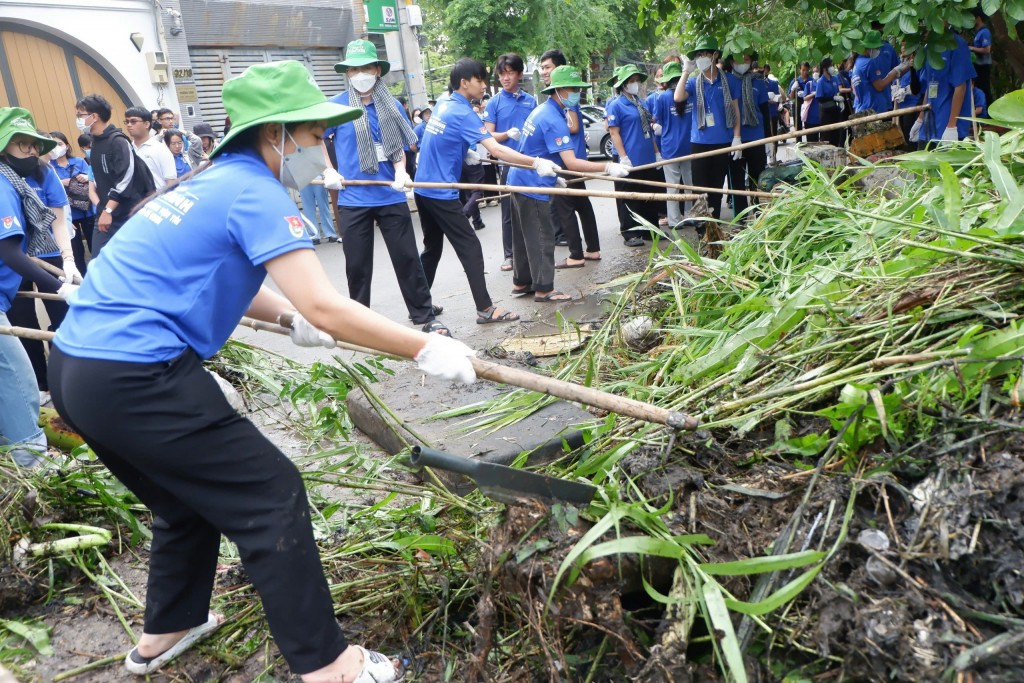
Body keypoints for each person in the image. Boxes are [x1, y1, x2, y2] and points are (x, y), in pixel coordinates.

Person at [49, 60, 476, 682]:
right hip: (137, 375)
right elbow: (328, 302)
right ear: (276, 133)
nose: (320, 149)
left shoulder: (206, 184)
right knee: (271, 497)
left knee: (180, 500)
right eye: (312, 136)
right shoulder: (255, 192)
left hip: (77, 371)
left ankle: (166, 629)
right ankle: (329, 665)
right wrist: (423, 347)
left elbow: (229, 276)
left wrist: (285, 319)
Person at [415, 58, 562, 324]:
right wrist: (536, 162)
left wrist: (466, 152)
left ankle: (419, 306)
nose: (484, 85)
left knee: (432, 249)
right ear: (464, 83)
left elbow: (442, 142)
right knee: (471, 248)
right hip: (439, 191)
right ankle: (485, 309)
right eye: (480, 80)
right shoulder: (462, 112)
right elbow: (496, 149)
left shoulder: (445, 105)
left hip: (423, 189)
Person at [321, 40, 444, 333]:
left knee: (407, 259)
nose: (360, 73)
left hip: (389, 195)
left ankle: (424, 316)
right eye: (354, 69)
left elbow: (399, 146)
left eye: (366, 67)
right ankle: (359, 323)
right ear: (347, 73)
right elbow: (315, 139)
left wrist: (401, 170)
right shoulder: (336, 106)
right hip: (353, 199)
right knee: (357, 266)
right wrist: (328, 170)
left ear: (377, 70)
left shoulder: (392, 105)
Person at [0, 108, 77, 467]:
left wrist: (67, 267)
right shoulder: (2, 186)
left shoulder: (23, 181)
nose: (30, 151)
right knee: (19, 379)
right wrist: (60, 288)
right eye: (20, 145)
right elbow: (9, 251)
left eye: (33, 145)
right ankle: (31, 461)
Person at [507, 66, 627, 296]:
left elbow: (541, 150)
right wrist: (608, 166)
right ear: (560, 90)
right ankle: (544, 290)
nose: (576, 94)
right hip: (532, 185)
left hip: (521, 180)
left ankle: (521, 282)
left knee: (524, 237)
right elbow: (571, 163)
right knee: (542, 236)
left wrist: (555, 178)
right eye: (573, 89)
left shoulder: (544, 110)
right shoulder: (552, 118)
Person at [541, 50, 603, 265]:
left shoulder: (566, 98)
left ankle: (576, 254)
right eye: (542, 68)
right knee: (582, 204)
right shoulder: (563, 98)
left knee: (565, 208)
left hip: (568, 162)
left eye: (547, 67)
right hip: (573, 160)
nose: (544, 72)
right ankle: (593, 249)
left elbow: (575, 126)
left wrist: (558, 129)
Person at [675, 36, 742, 224]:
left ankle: (714, 227)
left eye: (704, 53)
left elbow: (735, 109)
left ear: (715, 55)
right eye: (698, 55)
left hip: (722, 142)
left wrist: (737, 138)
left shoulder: (728, 81)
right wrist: (685, 72)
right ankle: (701, 229)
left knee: (716, 189)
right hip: (699, 143)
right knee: (700, 190)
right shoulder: (695, 82)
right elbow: (678, 97)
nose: (701, 58)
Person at [77, 94, 155, 256]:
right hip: (105, 213)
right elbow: (98, 180)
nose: (78, 119)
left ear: (94, 116)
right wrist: (102, 208)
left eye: (80, 115)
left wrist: (108, 210)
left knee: (136, 258)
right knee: (98, 261)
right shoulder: (95, 142)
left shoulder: (118, 141)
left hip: (127, 213)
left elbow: (125, 179)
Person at [482, 53, 536, 272]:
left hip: (528, 162)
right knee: (508, 212)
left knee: (532, 208)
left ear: (519, 74)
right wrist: (506, 134)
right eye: (502, 73)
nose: (505, 78)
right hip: (506, 163)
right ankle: (510, 255)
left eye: (510, 73)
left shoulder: (530, 101)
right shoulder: (494, 102)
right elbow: (487, 135)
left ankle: (532, 251)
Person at [606, 63, 663, 246]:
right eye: (631, 81)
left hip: (646, 156)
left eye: (637, 80)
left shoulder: (642, 103)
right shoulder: (616, 105)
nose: (635, 84)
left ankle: (650, 229)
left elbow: (649, 131)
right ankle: (630, 233)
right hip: (628, 158)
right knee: (628, 197)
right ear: (623, 84)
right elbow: (614, 133)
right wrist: (623, 157)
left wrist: (657, 153)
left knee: (648, 195)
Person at [911, 25, 976, 144]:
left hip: (948, 128)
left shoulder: (957, 45)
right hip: (929, 126)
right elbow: (929, 87)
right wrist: (920, 119)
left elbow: (960, 87)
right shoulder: (928, 47)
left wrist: (951, 127)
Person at [728, 51, 769, 220]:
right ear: (731, 62)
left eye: (746, 59)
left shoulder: (758, 82)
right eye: (739, 60)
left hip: (756, 136)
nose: (743, 63)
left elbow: (765, 113)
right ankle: (741, 218)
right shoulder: (727, 81)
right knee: (736, 180)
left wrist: (769, 140)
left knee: (757, 177)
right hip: (735, 139)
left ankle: (759, 213)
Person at [651, 60, 692, 228]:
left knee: (672, 187)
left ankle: (674, 221)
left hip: (669, 148)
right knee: (690, 185)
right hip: (690, 146)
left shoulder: (662, 97)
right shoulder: (689, 93)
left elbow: (655, 119)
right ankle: (690, 216)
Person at [49, 131, 94, 274]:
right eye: (53, 144)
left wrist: (86, 177)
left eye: (60, 143)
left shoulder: (79, 162)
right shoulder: (49, 167)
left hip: (87, 211)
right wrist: (60, 182)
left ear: (67, 145)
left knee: (95, 247)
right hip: (67, 216)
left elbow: (93, 181)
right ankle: (81, 282)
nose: (57, 147)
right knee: (76, 253)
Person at [852, 30, 909, 114]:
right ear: (871, 47)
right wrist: (894, 72)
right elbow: (879, 86)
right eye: (877, 48)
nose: (879, 50)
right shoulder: (869, 63)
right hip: (874, 109)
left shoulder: (858, 61)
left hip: (863, 107)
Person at [125, 106, 176, 190]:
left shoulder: (160, 149)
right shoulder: (127, 149)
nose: (129, 125)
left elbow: (171, 182)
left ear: (146, 124)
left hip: (158, 198)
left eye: (133, 121)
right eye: (127, 122)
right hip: (136, 201)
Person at [814, 57, 845, 147]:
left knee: (836, 134)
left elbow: (837, 92)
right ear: (825, 68)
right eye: (830, 66)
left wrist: (839, 100)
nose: (832, 68)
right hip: (826, 111)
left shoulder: (834, 79)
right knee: (827, 136)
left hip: (835, 110)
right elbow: (819, 98)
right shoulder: (821, 81)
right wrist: (832, 98)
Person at [969, 10, 993, 107]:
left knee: (985, 88)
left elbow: (987, 49)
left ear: (978, 18)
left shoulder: (985, 32)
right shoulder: (978, 32)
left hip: (983, 64)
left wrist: (971, 48)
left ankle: (989, 113)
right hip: (978, 64)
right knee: (979, 87)